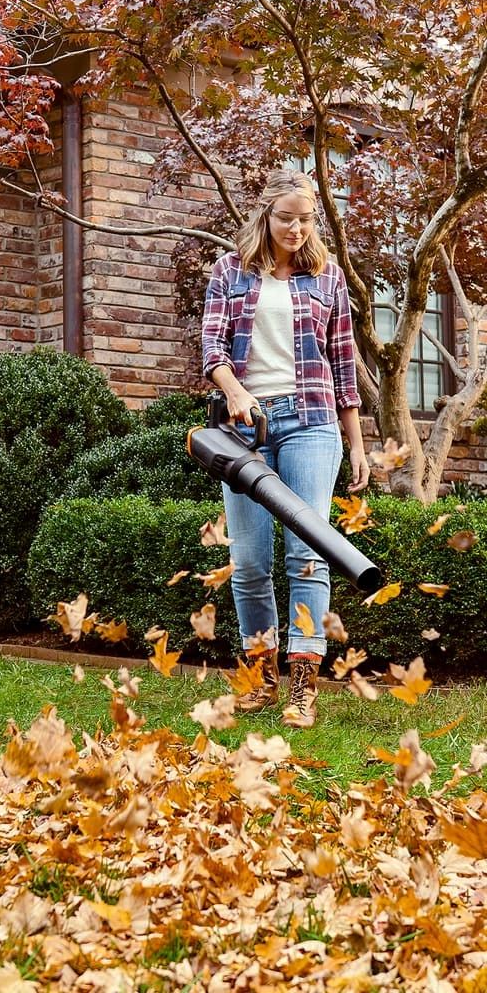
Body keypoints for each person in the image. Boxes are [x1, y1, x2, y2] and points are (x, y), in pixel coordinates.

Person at [201, 169, 370, 729]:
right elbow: (212, 347)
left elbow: (344, 365)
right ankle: (259, 677)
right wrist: (236, 392)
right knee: (249, 561)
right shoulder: (230, 271)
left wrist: (358, 444)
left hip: (313, 424)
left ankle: (303, 687)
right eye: (286, 218)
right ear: (265, 216)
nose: (296, 228)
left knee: (308, 553)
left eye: (306, 219)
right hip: (245, 429)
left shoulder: (327, 277)